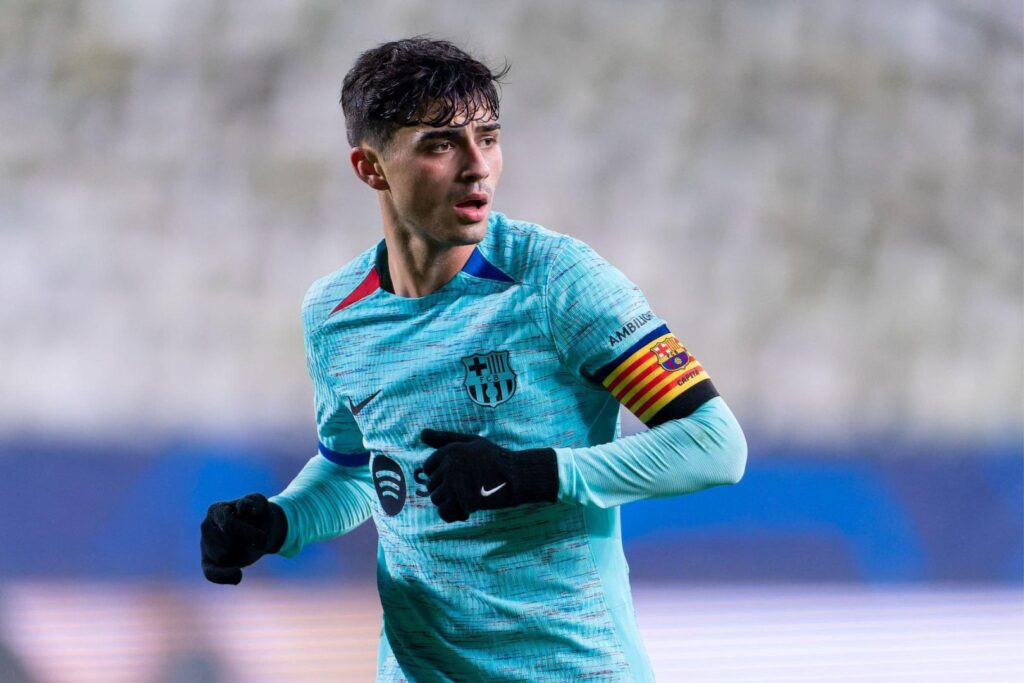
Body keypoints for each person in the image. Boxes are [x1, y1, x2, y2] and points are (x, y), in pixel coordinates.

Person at [200, 37, 747, 682]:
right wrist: (279, 520)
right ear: (371, 167)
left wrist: (531, 474)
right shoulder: (336, 314)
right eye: (440, 144)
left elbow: (715, 445)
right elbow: (361, 471)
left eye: (487, 137)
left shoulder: (557, 282)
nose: (477, 166)